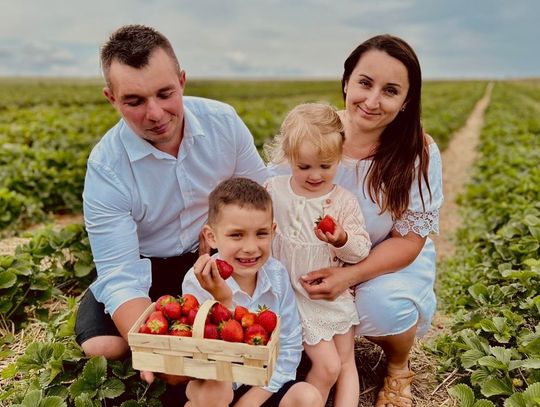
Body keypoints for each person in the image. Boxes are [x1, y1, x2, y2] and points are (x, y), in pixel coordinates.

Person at [74, 24, 267, 400]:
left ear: (181, 80)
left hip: (213, 256)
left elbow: (260, 200)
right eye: (134, 101)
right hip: (146, 263)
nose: (155, 113)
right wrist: (156, 348)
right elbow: (120, 274)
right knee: (102, 347)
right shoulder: (107, 166)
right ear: (111, 99)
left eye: (165, 94)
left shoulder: (223, 123)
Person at [293, 35, 443, 407]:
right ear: (347, 82)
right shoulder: (315, 134)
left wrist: (350, 277)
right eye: (364, 83)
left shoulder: (416, 152)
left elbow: (408, 241)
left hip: (386, 260)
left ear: (406, 101)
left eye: (390, 91)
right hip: (319, 254)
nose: (372, 101)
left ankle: (397, 366)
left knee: (381, 307)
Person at [263, 103, 371, 406]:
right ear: (288, 158)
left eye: (325, 166)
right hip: (291, 294)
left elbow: (360, 251)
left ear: (339, 158)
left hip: (329, 294)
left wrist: (341, 239)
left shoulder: (342, 201)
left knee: (346, 362)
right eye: (304, 166)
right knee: (329, 366)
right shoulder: (273, 191)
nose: (314, 175)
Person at [181, 177, 323, 407]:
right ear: (212, 237)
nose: (250, 247)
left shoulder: (276, 275)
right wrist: (223, 300)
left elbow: (288, 345)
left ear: (273, 231)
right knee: (213, 394)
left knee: (308, 397)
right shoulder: (199, 280)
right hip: (217, 378)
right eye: (236, 235)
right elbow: (203, 354)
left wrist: (252, 400)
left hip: (263, 383)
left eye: (261, 234)